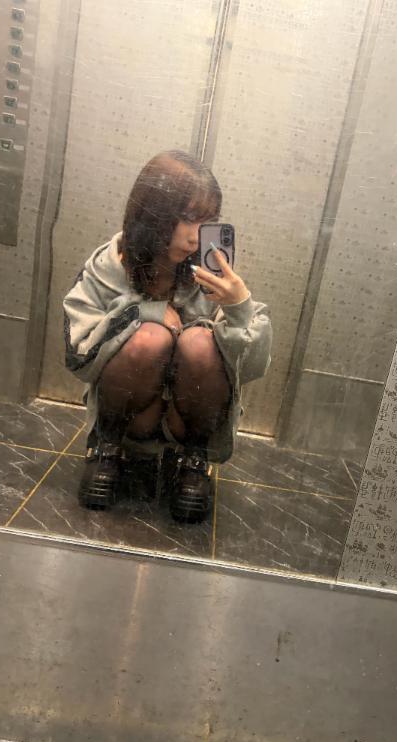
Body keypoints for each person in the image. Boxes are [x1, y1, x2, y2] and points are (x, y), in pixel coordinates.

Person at [63, 150, 272, 523]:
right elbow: (78, 355)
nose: (195, 237)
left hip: (184, 422)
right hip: (131, 419)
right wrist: (145, 313)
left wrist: (240, 307)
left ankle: (194, 462)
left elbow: (251, 369)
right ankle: (106, 450)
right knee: (149, 339)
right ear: (152, 214)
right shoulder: (109, 267)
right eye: (187, 218)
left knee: (200, 344)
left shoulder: (210, 276)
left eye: (208, 221)